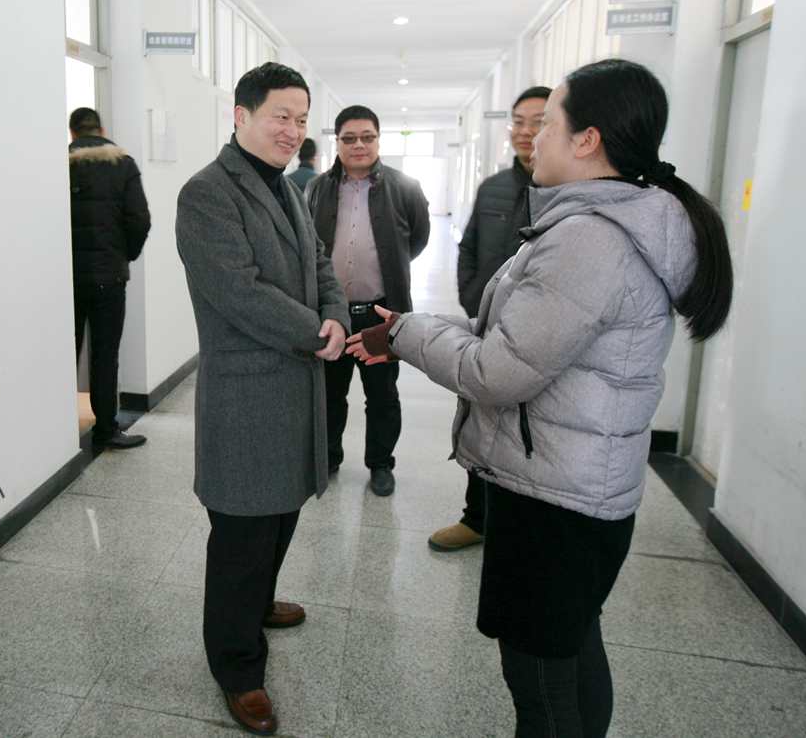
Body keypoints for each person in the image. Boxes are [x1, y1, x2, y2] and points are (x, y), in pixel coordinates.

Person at [346, 58, 732, 738]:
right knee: (572, 649)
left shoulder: (591, 239)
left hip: (556, 499)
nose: (531, 137)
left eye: (547, 122)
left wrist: (404, 332)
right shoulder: (610, 222)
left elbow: (499, 371)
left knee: (543, 680)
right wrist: (410, 331)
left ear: (587, 139)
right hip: (576, 480)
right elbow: (514, 338)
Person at [175, 62, 349, 736]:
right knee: (242, 535)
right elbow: (238, 292)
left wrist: (334, 314)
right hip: (247, 394)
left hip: (295, 385)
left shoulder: (286, 186)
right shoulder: (207, 193)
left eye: (302, 119)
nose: (293, 130)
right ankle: (238, 666)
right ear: (241, 115)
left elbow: (320, 263)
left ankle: (258, 601)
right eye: (281, 115)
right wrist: (317, 332)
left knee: (280, 514)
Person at [431, 85, 550, 551]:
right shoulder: (494, 187)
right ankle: (476, 518)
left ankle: (520, 526)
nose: (525, 131)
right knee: (480, 418)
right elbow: (469, 248)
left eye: (538, 121)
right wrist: (473, 301)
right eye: (518, 121)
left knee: (530, 429)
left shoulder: (567, 190)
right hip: (490, 328)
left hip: (542, 334)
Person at [304, 105, 429, 496]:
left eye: (367, 137)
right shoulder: (317, 188)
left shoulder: (405, 187)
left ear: (378, 140)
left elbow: (417, 240)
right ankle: (329, 457)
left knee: (382, 396)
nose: (359, 144)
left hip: (380, 314)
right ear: (337, 142)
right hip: (332, 315)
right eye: (349, 138)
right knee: (330, 395)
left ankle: (380, 464)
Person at [68, 107, 152, 448]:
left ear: (72, 133)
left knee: (64, 353)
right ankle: (105, 429)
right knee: (105, 355)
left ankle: (58, 437)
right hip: (109, 279)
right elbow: (140, 220)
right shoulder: (123, 165)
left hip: (67, 280)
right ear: (101, 131)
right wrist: (124, 255)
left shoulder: (58, 165)